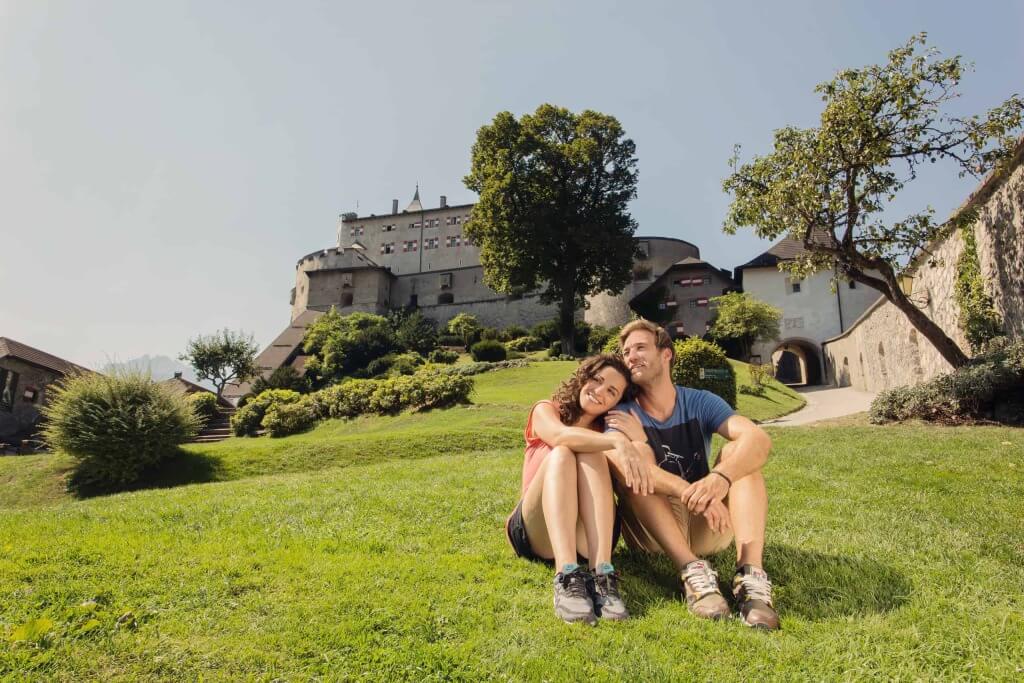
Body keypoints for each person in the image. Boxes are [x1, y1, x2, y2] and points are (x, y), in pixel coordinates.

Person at [603, 319, 781, 630]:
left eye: (641, 347)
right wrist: (691, 490)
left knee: (741, 458)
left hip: (707, 522)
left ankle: (750, 576)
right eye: (626, 351)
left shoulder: (700, 401)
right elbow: (624, 465)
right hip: (654, 532)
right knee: (635, 474)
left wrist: (720, 478)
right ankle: (692, 573)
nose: (631, 356)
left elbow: (759, 440)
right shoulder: (623, 413)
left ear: (666, 354)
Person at [505, 353, 653, 625]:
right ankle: (567, 574)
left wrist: (637, 438)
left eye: (611, 391)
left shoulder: (610, 431)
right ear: (583, 377)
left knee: (592, 452)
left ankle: (603, 576)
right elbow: (560, 436)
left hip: (589, 535)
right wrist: (617, 444)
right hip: (537, 531)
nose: (599, 392)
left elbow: (644, 471)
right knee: (564, 451)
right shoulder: (547, 410)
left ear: (617, 401)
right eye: (596, 380)